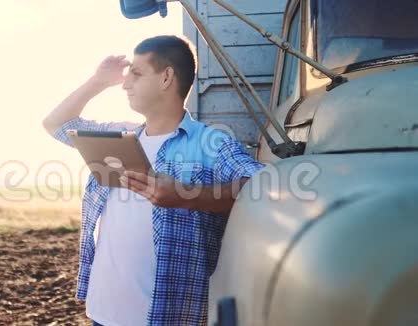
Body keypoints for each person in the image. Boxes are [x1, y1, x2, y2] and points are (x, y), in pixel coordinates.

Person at [42, 35, 264, 325]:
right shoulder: (118, 135)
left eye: (136, 73)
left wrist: (187, 195)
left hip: (165, 317)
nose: (125, 83)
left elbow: (263, 187)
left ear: (166, 78)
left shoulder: (211, 143)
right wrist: (98, 81)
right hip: (102, 311)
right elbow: (55, 124)